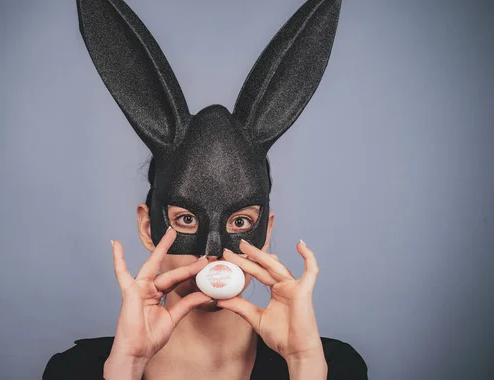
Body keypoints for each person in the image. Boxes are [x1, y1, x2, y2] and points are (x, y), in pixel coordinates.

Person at [44, 0, 368, 378]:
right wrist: (127, 368)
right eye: (184, 218)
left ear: (267, 232)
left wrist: (302, 365)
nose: (214, 252)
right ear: (148, 227)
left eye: (241, 221)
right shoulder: (76, 371)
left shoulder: (331, 367)